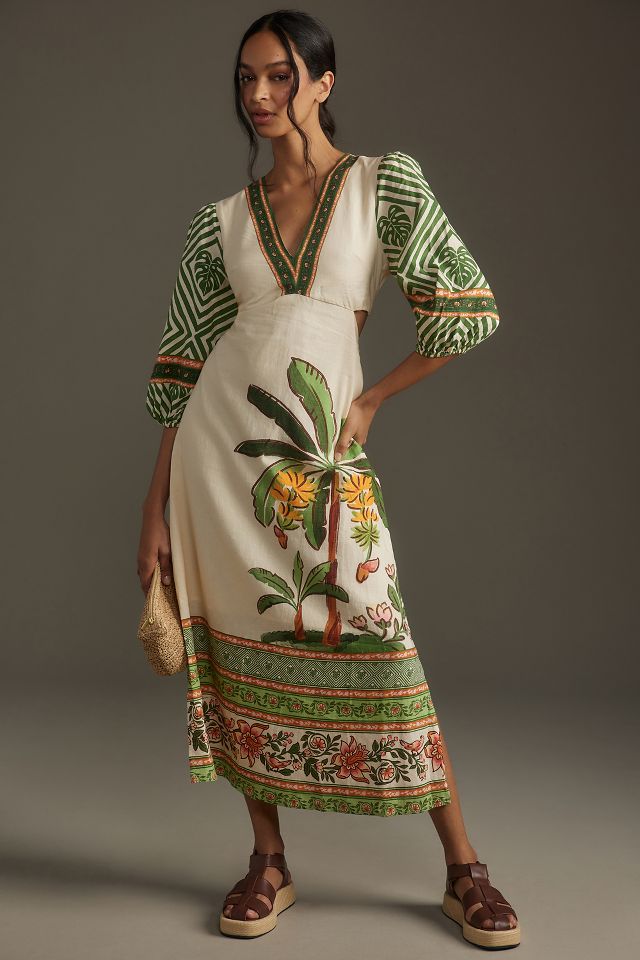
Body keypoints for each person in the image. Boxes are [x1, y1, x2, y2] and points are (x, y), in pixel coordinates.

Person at [138, 9, 520, 950]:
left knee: (381, 638)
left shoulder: (384, 185)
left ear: (322, 82)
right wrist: (152, 512)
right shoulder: (219, 223)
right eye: (246, 78)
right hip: (219, 471)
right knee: (237, 656)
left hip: (322, 463)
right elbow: (180, 374)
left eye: (279, 75)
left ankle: (463, 869)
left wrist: (375, 397)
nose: (259, 95)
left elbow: (466, 307)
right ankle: (268, 859)